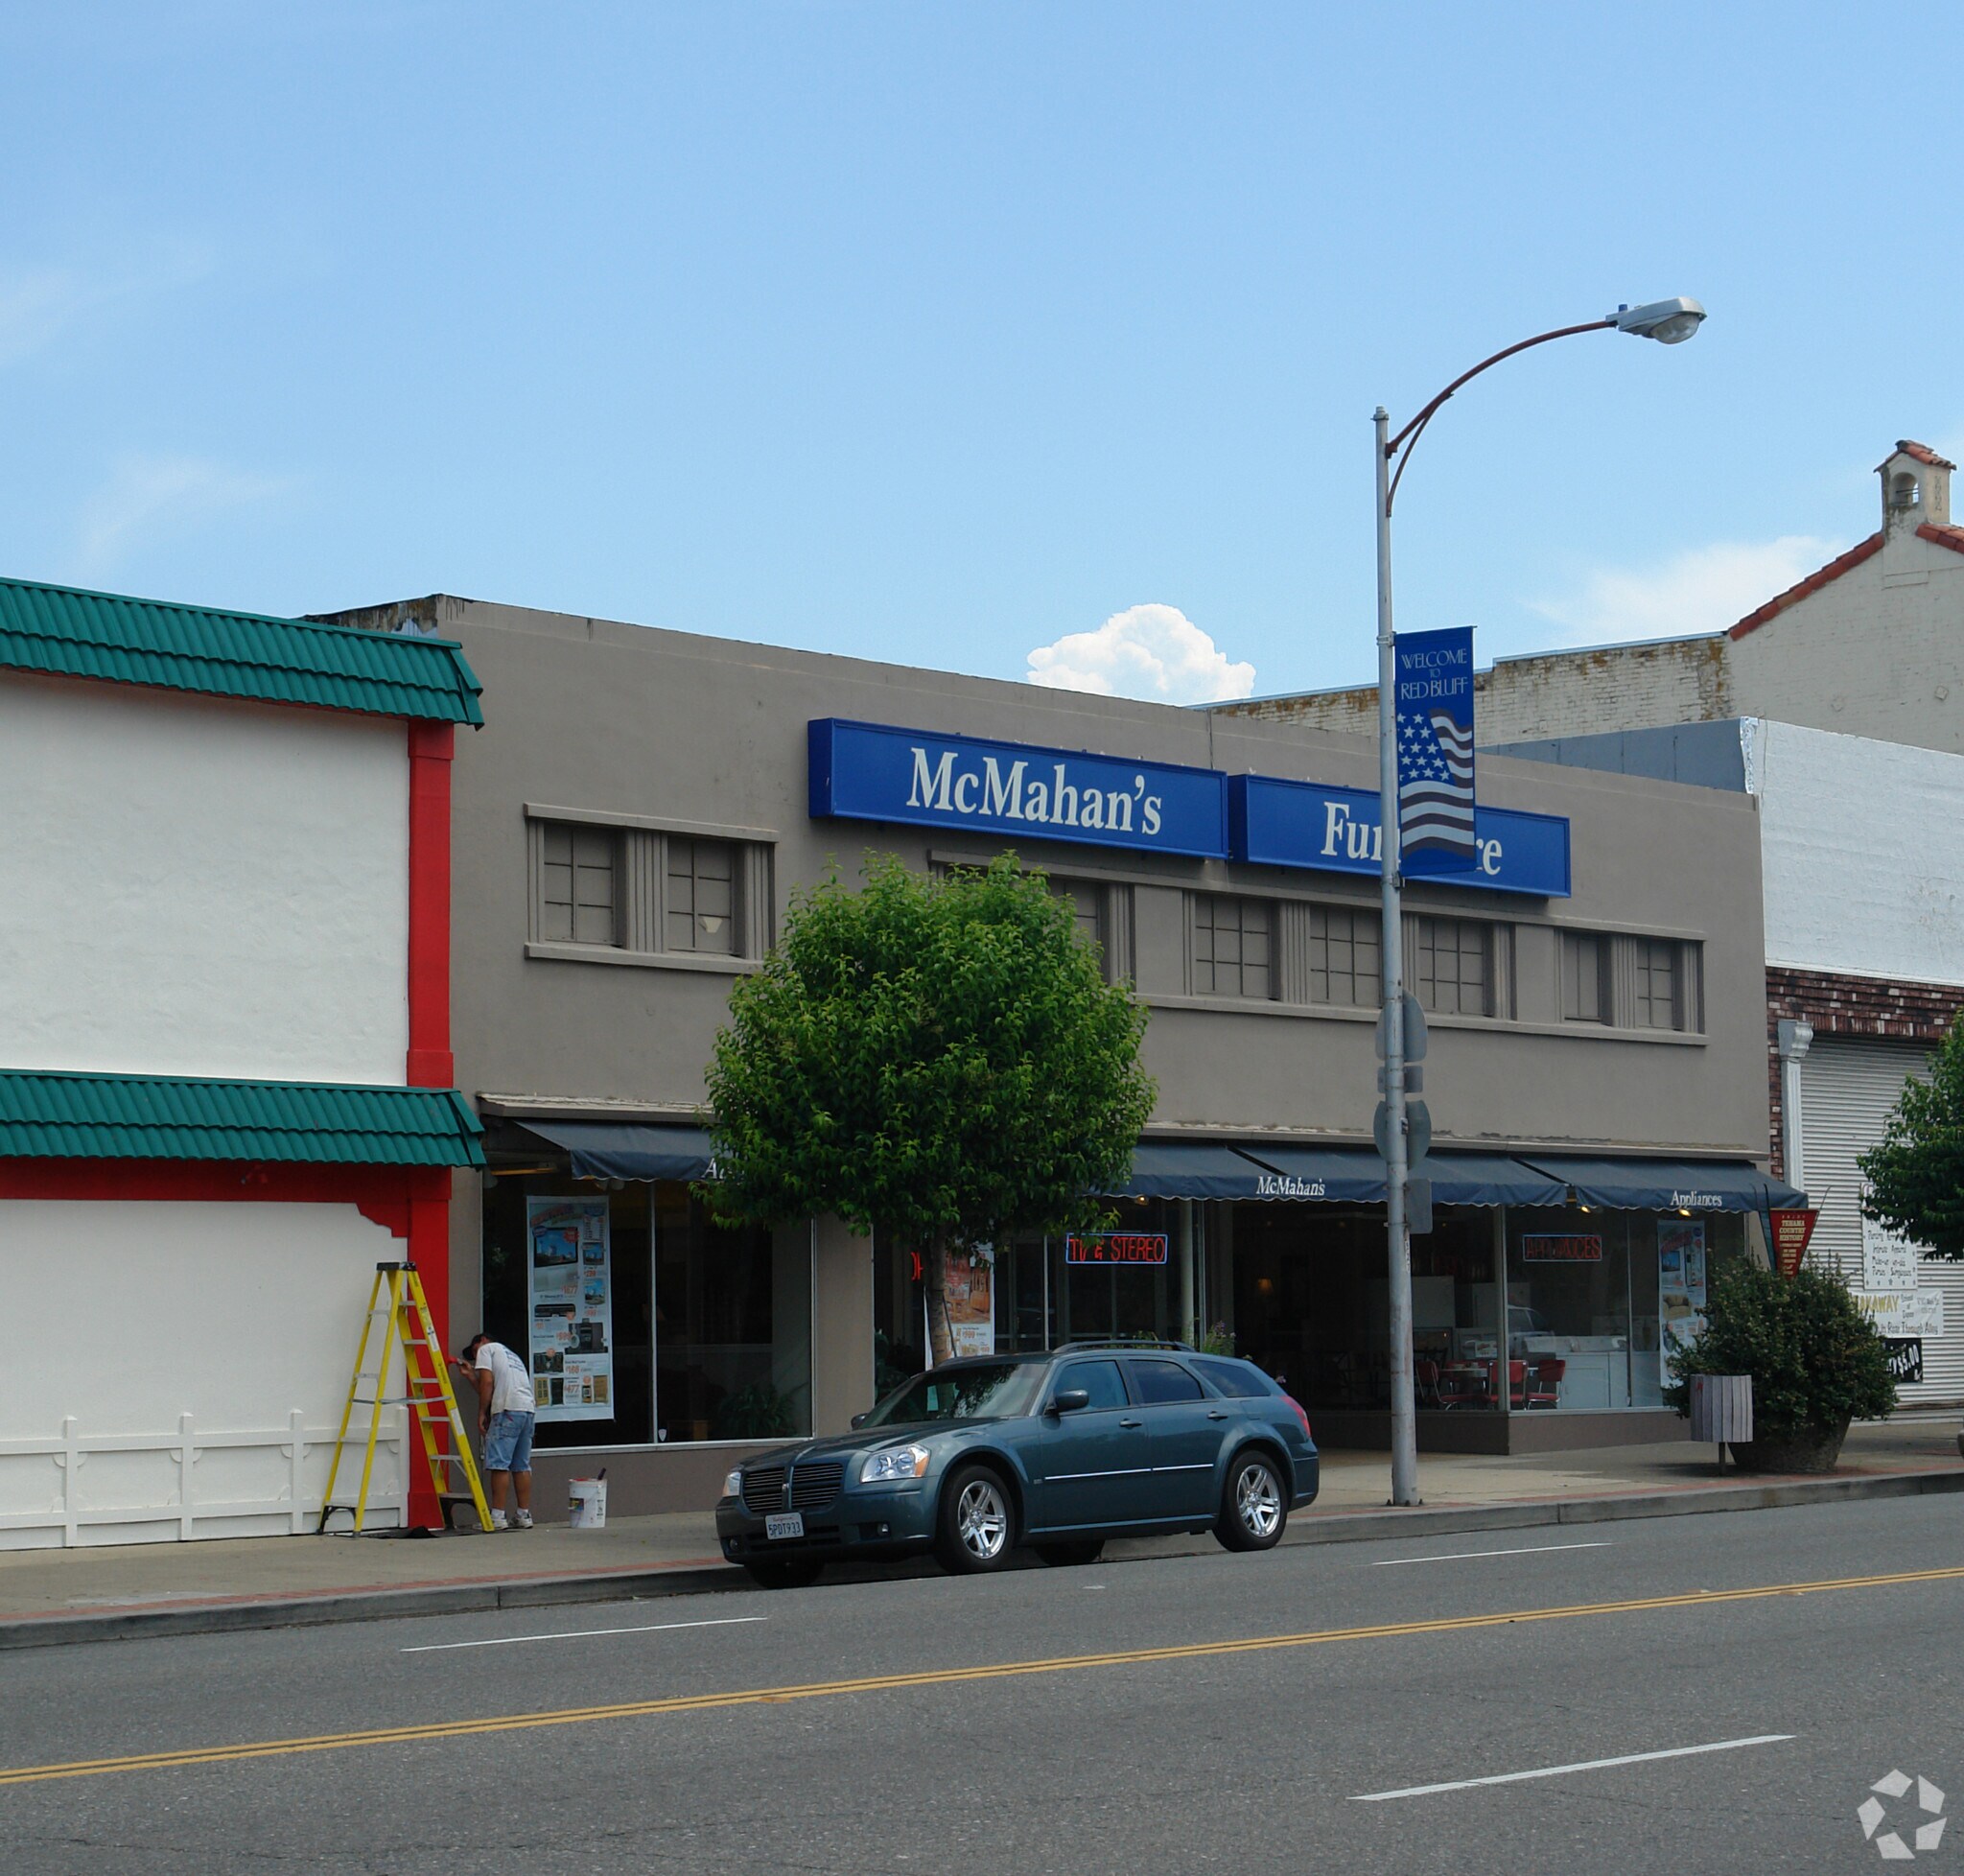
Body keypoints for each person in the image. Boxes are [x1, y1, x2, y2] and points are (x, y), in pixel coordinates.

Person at [456, 1333, 536, 1530]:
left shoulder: (486, 1349)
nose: (476, 1356)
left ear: (482, 1340)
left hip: (507, 1411)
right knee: (521, 1465)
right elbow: (489, 1387)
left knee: (499, 1464)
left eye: (475, 1351)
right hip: (526, 1410)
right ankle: (523, 1515)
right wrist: (471, 1376)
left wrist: (482, 1413)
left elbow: (488, 1384)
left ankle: (497, 1516)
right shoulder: (512, 1356)